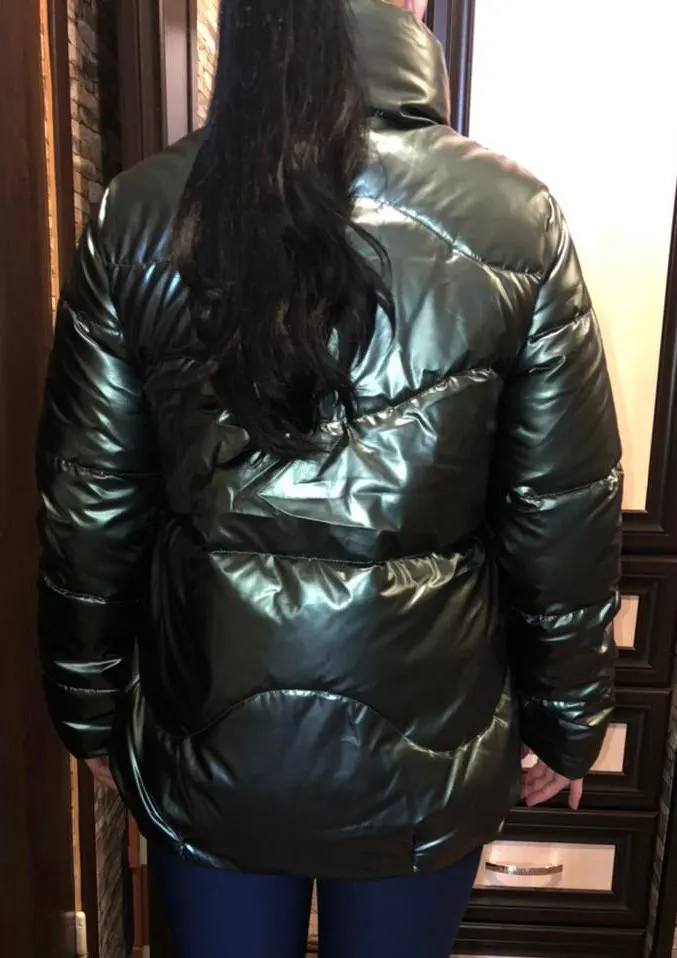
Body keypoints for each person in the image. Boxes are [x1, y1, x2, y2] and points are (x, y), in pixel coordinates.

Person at [36, 0, 623, 955]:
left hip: (208, 731)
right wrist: (566, 720)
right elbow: (559, 510)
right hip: (428, 741)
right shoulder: (516, 219)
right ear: (415, 5)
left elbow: (89, 505)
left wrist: (90, 711)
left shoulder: (139, 210)